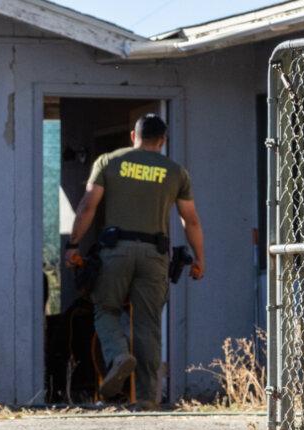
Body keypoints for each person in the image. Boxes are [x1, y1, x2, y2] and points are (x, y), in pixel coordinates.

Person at [64, 113, 204, 406]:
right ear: (162, 141)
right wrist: (199, 259)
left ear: (133, 136)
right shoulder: (176, 172)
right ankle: (145, 399)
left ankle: (118, 355)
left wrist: (74, 244)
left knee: (106, 309)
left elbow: (88, 205)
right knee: (148, 324)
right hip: (155, 255)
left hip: (116, 250)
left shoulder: (109, 161)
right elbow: (190, 221)